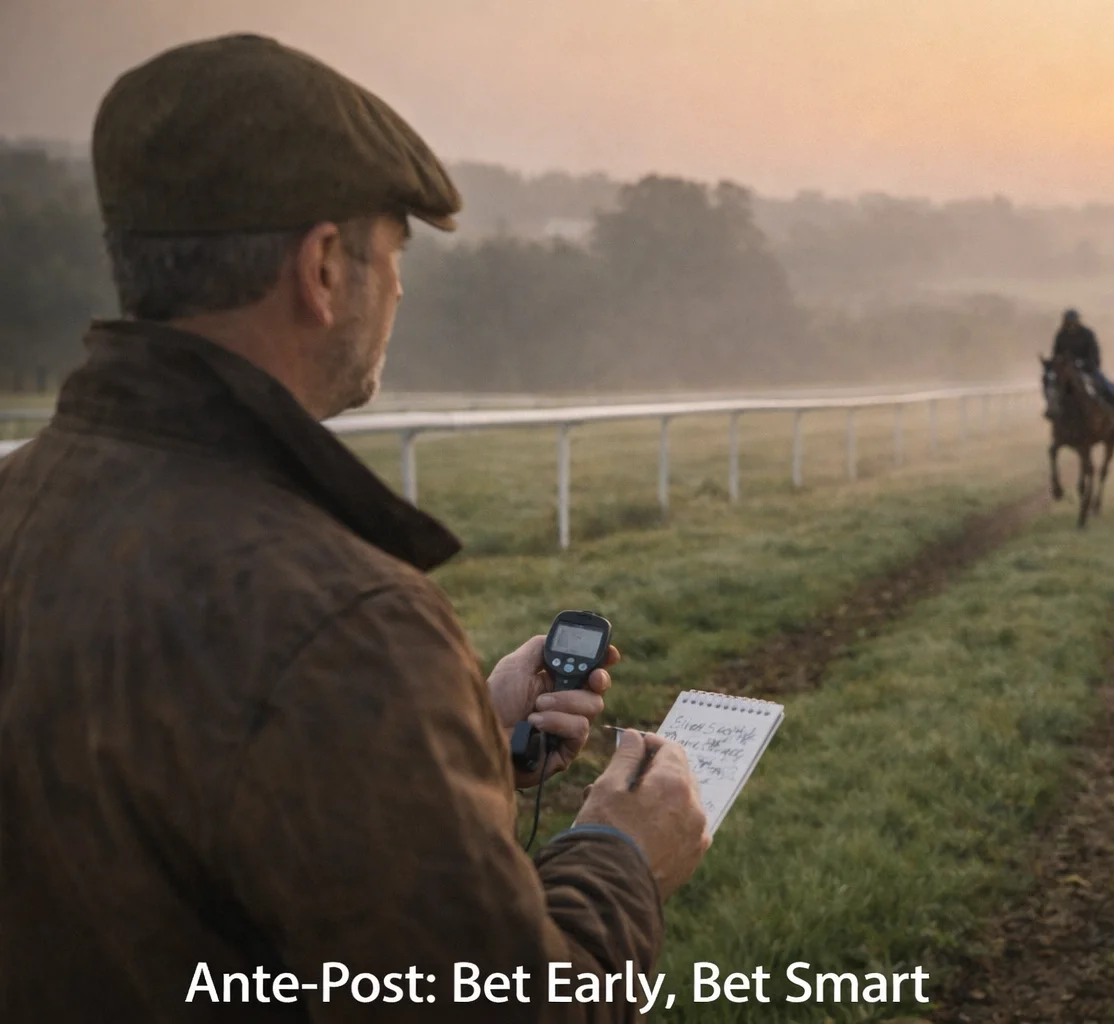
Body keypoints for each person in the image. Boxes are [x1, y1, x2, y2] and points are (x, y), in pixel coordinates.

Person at [0, 34, 710, 1020]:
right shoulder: (347, 624)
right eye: (396, 252)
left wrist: (467, 736)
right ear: (325, 268)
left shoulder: (23, 498)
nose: (402, 289)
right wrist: (621, 852)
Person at [1044, 308, 1114, 419]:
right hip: (1065, 370)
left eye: (1073, 322)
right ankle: (1053, 410)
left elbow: (1094, 354)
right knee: (1053, 387)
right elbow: (1056, 354)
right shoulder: (1061, 335)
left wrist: (1083, 363)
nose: (1071, 325)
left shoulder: (1087, 334)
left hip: (1088, 369)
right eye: (1068, 322)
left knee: (1107, 387)